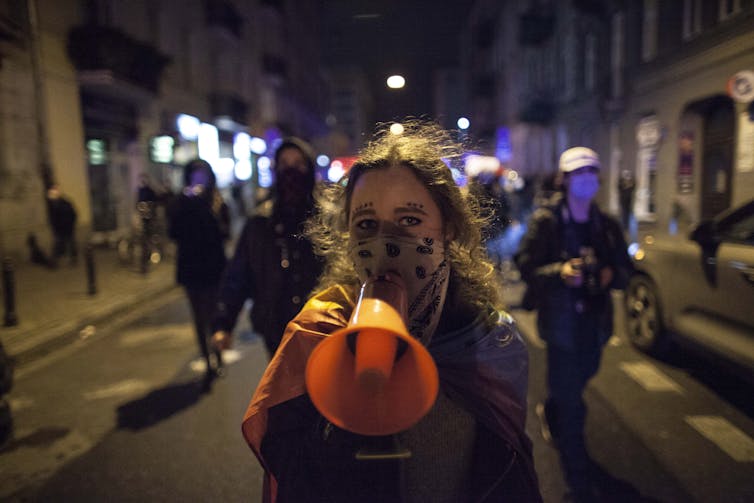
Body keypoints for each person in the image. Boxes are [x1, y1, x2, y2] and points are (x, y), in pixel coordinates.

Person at [236, 122, 542, 502]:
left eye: (410, 221)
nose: (384, 242)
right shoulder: (316, 337)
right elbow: (290, 469)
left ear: (447, 227)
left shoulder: (494, 341)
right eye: (366, 224)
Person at [515, 147, 632, 502]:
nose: (587, 180)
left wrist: (611, 274)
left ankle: (554, 408)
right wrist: (559, 273)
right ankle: (577, 480)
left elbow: (626, 272)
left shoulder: (606, 225)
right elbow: (526, 266)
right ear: (564, 180)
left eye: (592, 173)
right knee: (571, 399)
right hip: (561, 322)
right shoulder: (547, 221)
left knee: (583, 376)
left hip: (595, 324)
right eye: (579, 174)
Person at [212, 137, 323, 358]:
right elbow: (239, 273)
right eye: (284, 164)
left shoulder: (329, 218)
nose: (291, 170)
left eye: (298, 163)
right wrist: (224, 322)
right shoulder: (260, 222)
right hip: (277, 326)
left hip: (323, 326)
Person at [168, 159, 230, 389]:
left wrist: (210, 209)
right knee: (198, 318)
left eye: (202, 174)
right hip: (191, 268)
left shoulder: (216, 200)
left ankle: (219, 356)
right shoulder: (181, 202)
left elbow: (224, 232)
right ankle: (207, 361)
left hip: (213, 268)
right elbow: (173, 232)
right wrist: (184, 203)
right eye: (194, 174)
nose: (198, 179)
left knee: (214, 315)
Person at [46, 184, 78, 267]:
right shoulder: (54, 205)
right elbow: (53, 218)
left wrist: (70, 224)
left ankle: (72, 259)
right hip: (60, 228)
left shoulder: (65, 203)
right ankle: (55, 261)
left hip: (67, 227)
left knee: (69, 243)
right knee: (60, 244)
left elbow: (73, 214)